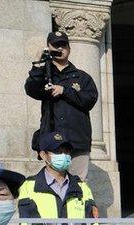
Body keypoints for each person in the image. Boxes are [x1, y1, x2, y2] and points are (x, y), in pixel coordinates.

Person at [24, 31, 97, 180]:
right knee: (53, 182)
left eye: (63, 45)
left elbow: (90, 99)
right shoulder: (44, 73)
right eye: (56, 46)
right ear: (49, 47)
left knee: (78, 184)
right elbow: (31, 90)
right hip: (52, 139)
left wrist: (64, 91)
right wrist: (38, 64)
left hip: (77, 140)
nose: (60, 49)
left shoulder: (82, 77)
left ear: (69, 48)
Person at [18, 130, 101, 225]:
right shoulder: (29, 186)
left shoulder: (81, 186)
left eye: (66, 151)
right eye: (57, 151)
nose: (63, 155)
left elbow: (93, 224)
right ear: (43, 155)